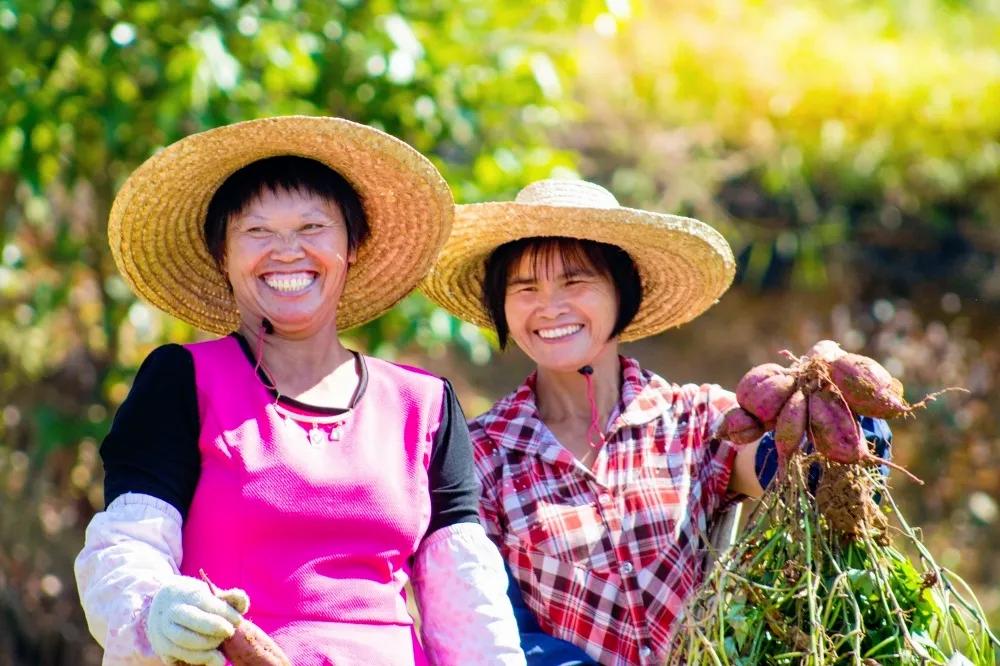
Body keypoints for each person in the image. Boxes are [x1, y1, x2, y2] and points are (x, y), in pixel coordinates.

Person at [74, 116, 525, 666]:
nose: (286, 251)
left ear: (352, 245)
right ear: (223, 255)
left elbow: (468, 605)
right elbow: (128, 546)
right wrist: (156, 612)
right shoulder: (181, 380)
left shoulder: (424, 404)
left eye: (313, 228)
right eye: (256, 231)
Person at [421, 178, 892, 665]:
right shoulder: (481, 455)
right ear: (501, 306)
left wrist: (829, 409)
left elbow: (798, 473)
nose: (550, 307)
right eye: (525, 288)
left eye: (575, 281)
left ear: (623, 293)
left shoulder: (697, 420)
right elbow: (494, 628)